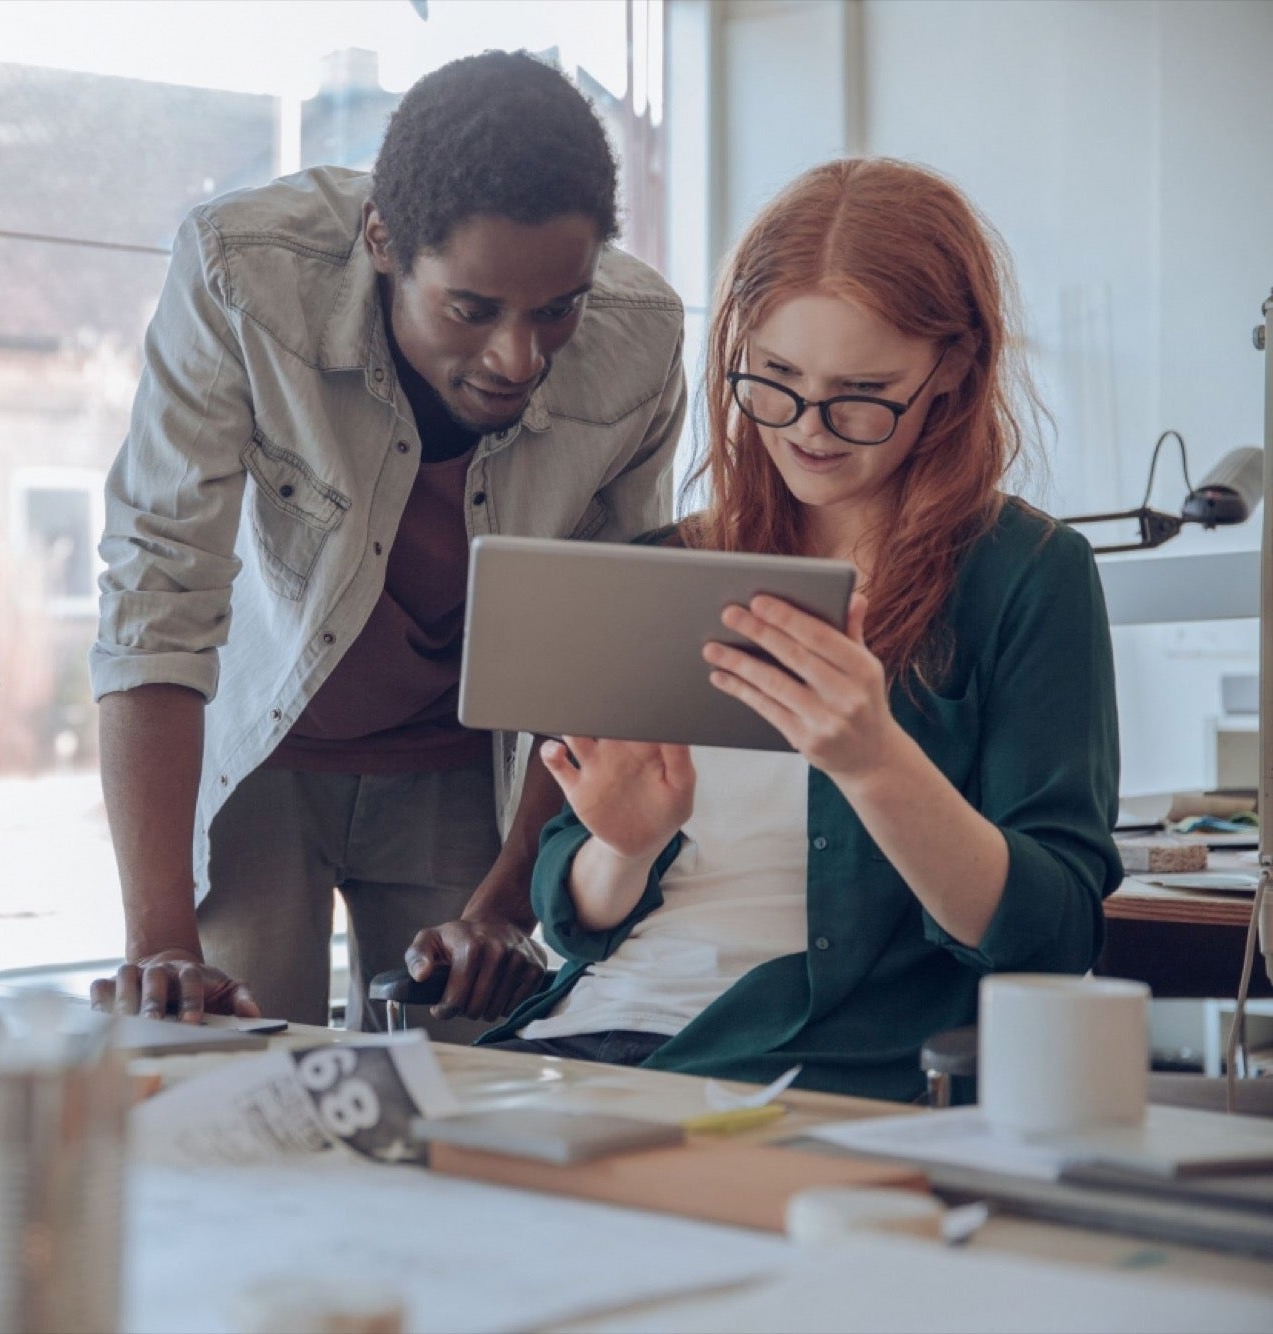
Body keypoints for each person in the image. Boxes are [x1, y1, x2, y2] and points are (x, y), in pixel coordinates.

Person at [479, 158, 1123, 1099]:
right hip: (581, 1036)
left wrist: (875, 761)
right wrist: (626, 844)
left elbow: (1053, 936)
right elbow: (574, 915)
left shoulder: (1026, 575)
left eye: (862, 391)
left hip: (793, 1065)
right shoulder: (668, 566)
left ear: (952, 370)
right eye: (776, 378)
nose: (809, 428)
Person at [87, 51, 688, 1035]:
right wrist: (158, 942)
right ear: (381, 239)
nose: (518, 357)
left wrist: (505, 905)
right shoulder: (243, 274)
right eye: (471, 310)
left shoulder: (640, 343)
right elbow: (158, 591)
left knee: (462, 1068)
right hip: (262, 750)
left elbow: (595, 647)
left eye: (557, 309)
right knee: (225, 1058)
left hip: (464, 771)